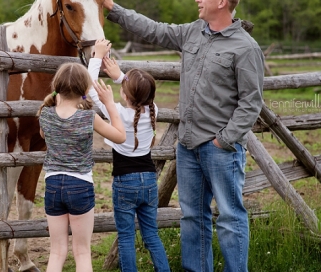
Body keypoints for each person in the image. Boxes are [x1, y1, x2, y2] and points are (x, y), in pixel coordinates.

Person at [102, 0, 265, 271]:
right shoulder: (192, 31)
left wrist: (223, 140)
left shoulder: (246, 47)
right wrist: (112, 7)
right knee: (192, 217)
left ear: (222, 2)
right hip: (188, 146)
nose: (197, 1)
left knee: (230, 218)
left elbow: (251, 103)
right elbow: (153, 29)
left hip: (220, 149)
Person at [87, 39, 171, 272]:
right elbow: (140, 91)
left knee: (126, 237)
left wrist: (97, 57)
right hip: (149, 181)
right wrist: (120, 77)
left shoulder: (117, 113)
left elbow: (91, 86)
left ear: (124, 95)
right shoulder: (154, 110)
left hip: (125, 182)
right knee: (151, 235)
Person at [37, 59, 126, 272]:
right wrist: (111, 104)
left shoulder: (46, 113)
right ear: (85, 88)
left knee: (57, 252)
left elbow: (44, 135)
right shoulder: (88, 117)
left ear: (56, 86)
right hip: (80, 186)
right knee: (82, 252)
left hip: (52, 185)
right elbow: (120, 137)